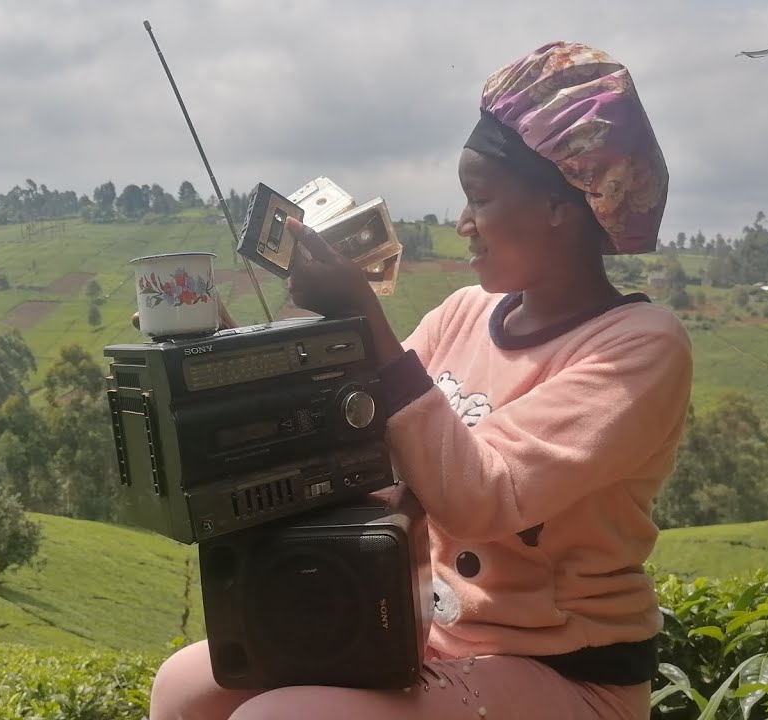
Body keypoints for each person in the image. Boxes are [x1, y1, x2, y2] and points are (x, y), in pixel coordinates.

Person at [144, 41, 693, 720]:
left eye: (481, 199)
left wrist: (365, 317)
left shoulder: (640, 346)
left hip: (565, 672)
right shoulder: (463, 313)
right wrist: (233, 357)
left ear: (560, 203)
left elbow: (479, 498)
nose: (463, 223)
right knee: (185, 689)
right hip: (425, 633)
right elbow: (359, 448)